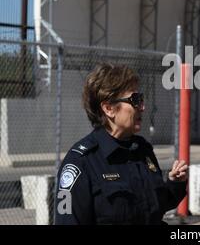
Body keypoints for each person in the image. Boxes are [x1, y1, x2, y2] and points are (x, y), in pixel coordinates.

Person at [55, 63, 188, 225]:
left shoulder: (142, 150)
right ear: (109, 108)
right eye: (135, 100)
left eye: (142, 99)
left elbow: (153, 207)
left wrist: (175, 184)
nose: (143, 107)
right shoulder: (81, 162)